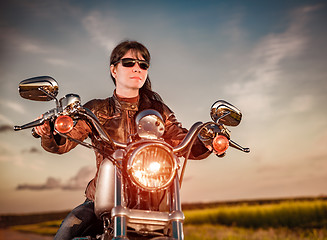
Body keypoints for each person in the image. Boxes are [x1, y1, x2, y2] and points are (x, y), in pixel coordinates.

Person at [34, 40, 211, 239]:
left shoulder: (158, 110)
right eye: (129, 63)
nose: (137, 68)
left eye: (143, 65)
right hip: (102, 197)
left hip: (153, 198)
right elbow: (64, 142)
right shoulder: (97, 110)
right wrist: (49, 133)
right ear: (114, 70)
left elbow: (182, 140)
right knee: (67, 231)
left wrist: (207, 139)